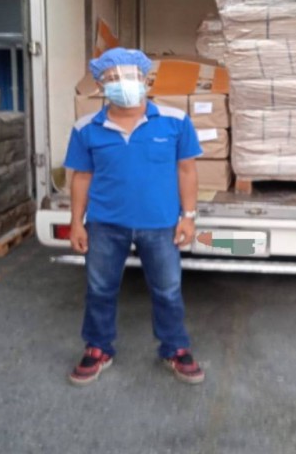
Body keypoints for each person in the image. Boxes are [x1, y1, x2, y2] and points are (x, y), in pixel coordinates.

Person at [64, 47, 205, 386]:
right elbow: (81, 177)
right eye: (112, 78)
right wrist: (76, 222)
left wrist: (188, 216)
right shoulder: (86, 128)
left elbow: (187, 170)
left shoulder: (175, 121)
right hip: (105, 225)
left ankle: (174, 347)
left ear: (145, 80)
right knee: (100, 289)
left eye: (129, 76)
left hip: (160, 225)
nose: (122, 83)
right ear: (100, 85)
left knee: (168, 289)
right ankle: (98, 347)